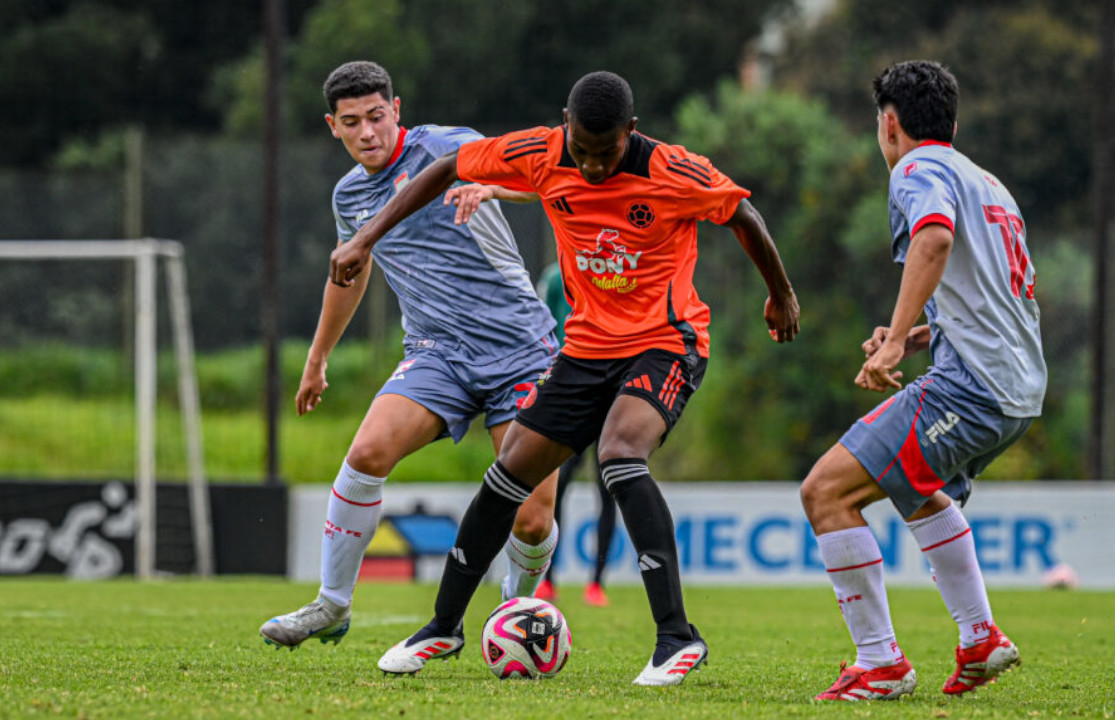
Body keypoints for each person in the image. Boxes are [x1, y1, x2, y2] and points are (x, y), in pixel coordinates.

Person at [331, 70, 801, 685]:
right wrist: (366, 237)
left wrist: (781, 295)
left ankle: (677, 638)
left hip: (665, 343)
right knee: (508, 477)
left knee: (619, 454)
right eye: (581, 150)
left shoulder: (673, 170)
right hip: (584, 348)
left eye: (606, 154)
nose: (594, 166)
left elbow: (743, 215)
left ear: (630, 133)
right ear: (565, 126)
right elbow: (447, 169)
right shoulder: (541, 150)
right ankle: (443, 628)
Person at [258, 60, 562, 653]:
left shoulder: (449, 147)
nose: (368, 132)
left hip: (521, 351)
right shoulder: (349, 194)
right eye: (353, 123)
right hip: (437, 354)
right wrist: (318, 357)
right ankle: (332, 603)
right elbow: (350, 270)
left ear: (396, 110)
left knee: (530, 517)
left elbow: (548, 173)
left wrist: (493, 185)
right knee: (367, 451)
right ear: (333, 127)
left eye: (377, 116)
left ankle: (514, 613)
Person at [800, 60, 1046, 702]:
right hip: (1016, 390)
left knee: (825, 492)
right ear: (954, 122)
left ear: (889, 124)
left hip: (972, 387)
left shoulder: (917, 168)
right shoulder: (987, 182)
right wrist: (911, 337)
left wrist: (888, 340)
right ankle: (980, 637)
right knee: (914, 487)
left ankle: (880, 664)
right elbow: (993, 297)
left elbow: (934, 240)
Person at [533, 261, 616, 608]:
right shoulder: (554, 276)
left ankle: (596, 583)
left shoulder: (614, 273)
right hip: (572, 391)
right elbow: (540, 326)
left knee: (609, 487)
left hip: (611, 393)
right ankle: (548, 579)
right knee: (558, 485)